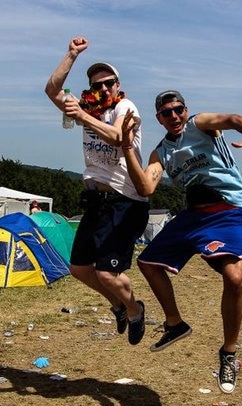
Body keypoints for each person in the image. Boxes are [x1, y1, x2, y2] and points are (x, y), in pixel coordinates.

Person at [119, 90, 242, 393]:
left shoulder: (200, 124)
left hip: (229, 211)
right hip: (193, 216)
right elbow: (146, 186)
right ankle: (175, 323)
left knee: (234, 278)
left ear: (186, 109)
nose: (174, 116)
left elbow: (233, 119)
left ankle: (229, 352)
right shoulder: (161, 152)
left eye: (178, 109)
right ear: (159, 119)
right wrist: (127, 148)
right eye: (167, 113)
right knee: (148, 262)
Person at [44, 37, 149, 345]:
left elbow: (119, 137)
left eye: (108, 83)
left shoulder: (125, 107)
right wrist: (71, 55)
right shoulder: (89, 108)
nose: (103, 89)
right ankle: (118, 304)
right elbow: (52, 90)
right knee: (78, 268)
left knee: (107, 274)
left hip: (124, 199)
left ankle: (134, 309)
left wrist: (81, 116)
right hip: (96, 199)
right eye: (96, 84)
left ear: (118, 86)